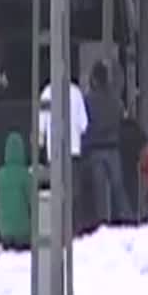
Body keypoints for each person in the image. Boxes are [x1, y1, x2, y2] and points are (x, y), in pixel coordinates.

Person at [83, 61, 134, 226]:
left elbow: (84, 123)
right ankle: (127, 218)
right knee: (118, 187)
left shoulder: (88, 100)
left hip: (95, 149)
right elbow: (121, 117)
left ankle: (102, 222)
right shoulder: (115, 99)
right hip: (113, 147)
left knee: (100, 190)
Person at [38, 75, 90, 234]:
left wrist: (41, 142)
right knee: (74, 195)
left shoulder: (47, 93)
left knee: (57, 194)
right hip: (73, 151)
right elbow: (84, 125)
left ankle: (58, 231)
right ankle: (75, 231)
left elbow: (41, 126)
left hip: (53, 154)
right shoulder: (76, 93)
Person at [0, 131, 31, 251]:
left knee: (9, 254)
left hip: (5, 230)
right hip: (23, 231)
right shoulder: (25, 175)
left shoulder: (0, 174)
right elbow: (32, 200)